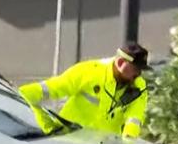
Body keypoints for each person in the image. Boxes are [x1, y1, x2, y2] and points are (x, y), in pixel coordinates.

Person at [19, 43, 150, 139]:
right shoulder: (89, 72)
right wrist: (17, 95)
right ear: (121, 62)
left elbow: (134, 119)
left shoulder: (139, 87)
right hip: (69, 143)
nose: (138, 74)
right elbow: (50, 89)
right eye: (136, 69)